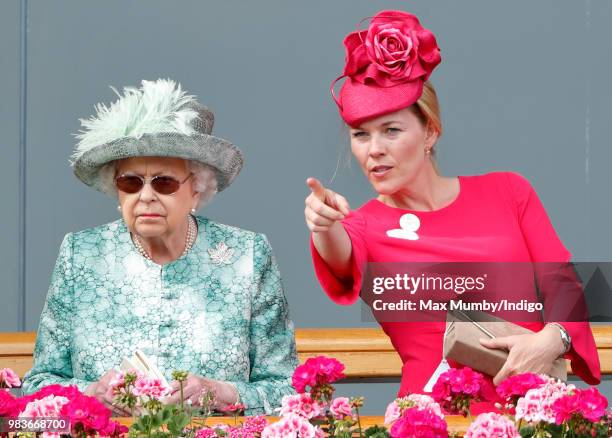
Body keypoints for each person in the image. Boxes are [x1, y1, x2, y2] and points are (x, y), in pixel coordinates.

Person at [305, 10, 600, 411]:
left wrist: (552, 340)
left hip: (534, 409)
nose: (373, 149)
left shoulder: (508, 191)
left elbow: (563, 284)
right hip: (434, 419)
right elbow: (339, 254)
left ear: (429, 131)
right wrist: (324, 224)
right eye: (361, 135)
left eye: (391, 130)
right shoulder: (362, 226)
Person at [22, 79, 298, 416]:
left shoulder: (247, 255)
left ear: (197, 188)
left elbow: (287, 389)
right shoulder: (80, 254)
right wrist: (92, 393)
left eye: (164, 182)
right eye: (131, 182)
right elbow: (39, 384)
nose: (146, 196)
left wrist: (219, 392)